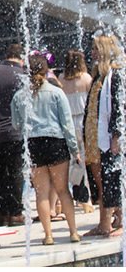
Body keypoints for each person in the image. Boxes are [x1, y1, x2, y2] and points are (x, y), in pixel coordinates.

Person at [12, 54, 81, 245]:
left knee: (41, 193)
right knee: (63, 190)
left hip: (34, 144)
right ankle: (74, 232)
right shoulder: (56, 92)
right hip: (55, 142)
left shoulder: (19, 96)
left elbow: (16, 124)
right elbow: (67, 124)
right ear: (45, 70)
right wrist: (74, 150)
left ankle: (48, 236)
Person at [83, 34, 124, 238]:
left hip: (108, 138)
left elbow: (119, 108)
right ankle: (107, 222)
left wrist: (116, 135)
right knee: (102, 181)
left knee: (112, 179)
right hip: (95, 139)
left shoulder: (115, 76)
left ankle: (112, 223)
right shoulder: (99, 76)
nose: (92, 53)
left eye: (96, 49)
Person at [0, 43, 27, 227]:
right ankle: (15, 213)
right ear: (20, 58)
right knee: (15, 172)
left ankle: (1, 212)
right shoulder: (23, 75)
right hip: (15, 132)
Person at [58, 49, 94, 213]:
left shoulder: (61, 79)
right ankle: (88, 197)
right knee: (86, 159)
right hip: (83, 121)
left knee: (73, 160)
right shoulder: (86, 78)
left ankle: (77, 194)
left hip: (68, 122)